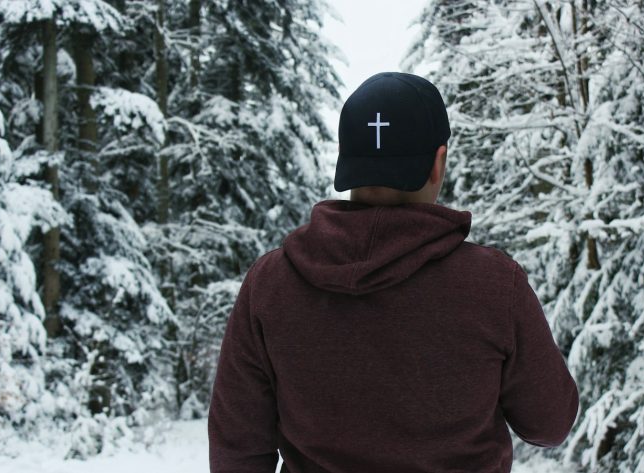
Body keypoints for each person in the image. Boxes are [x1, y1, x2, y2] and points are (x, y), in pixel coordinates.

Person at [208, 72, 579, 473]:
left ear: (347, 164)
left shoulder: (271, 283)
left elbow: (237, 451)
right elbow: (550, 423)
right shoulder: (493, 285)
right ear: (438, 163)